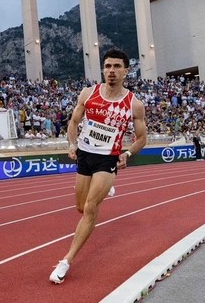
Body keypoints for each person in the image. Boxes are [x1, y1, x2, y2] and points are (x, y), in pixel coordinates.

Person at [49, 48, 147, 284]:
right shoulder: (88, 93)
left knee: (91, 208)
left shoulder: (134, 104)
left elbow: (142, 138)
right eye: (107, 66)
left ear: (126, 71)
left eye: (116, 67)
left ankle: (66, 261)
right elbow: (73, 122)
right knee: (81, 208)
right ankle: (105, 189)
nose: (111, 71)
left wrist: (128, 153)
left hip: (108, 158)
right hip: (85, 154)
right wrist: (72, 144)